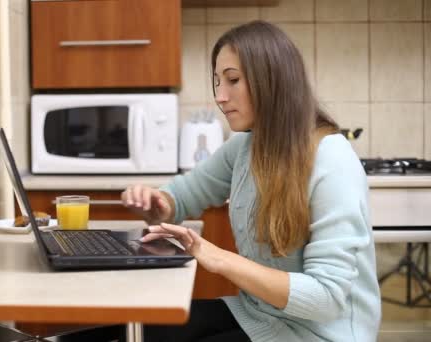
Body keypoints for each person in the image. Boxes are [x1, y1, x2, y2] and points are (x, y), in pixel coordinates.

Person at [120, 20, 381, 342]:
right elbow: (183, 196)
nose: (220, 96)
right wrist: (156, 202)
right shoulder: (244, 147)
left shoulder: (331, 159)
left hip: (320, 334)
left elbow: (326, 298)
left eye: (232, 81)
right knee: (127, 332)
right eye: (217, 82)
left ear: (272, 81)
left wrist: (220, 258)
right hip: (258, 314)